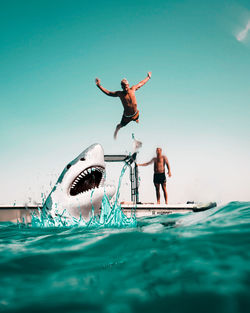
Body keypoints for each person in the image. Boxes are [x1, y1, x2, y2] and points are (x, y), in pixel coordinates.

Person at [95, 72, 152, 139]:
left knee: (136, 118)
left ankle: (136, 119)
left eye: (126, 86)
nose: (125, 88)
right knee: (119, 126)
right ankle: (116, 132)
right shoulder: (120, 94)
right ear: (121, 87)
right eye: (123, 87)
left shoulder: (133, 89)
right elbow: (109, 93)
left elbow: (141, 83)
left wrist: (148, 77)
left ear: (128, 85)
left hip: (136, 113)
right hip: (126, 117)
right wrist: (99, 86)